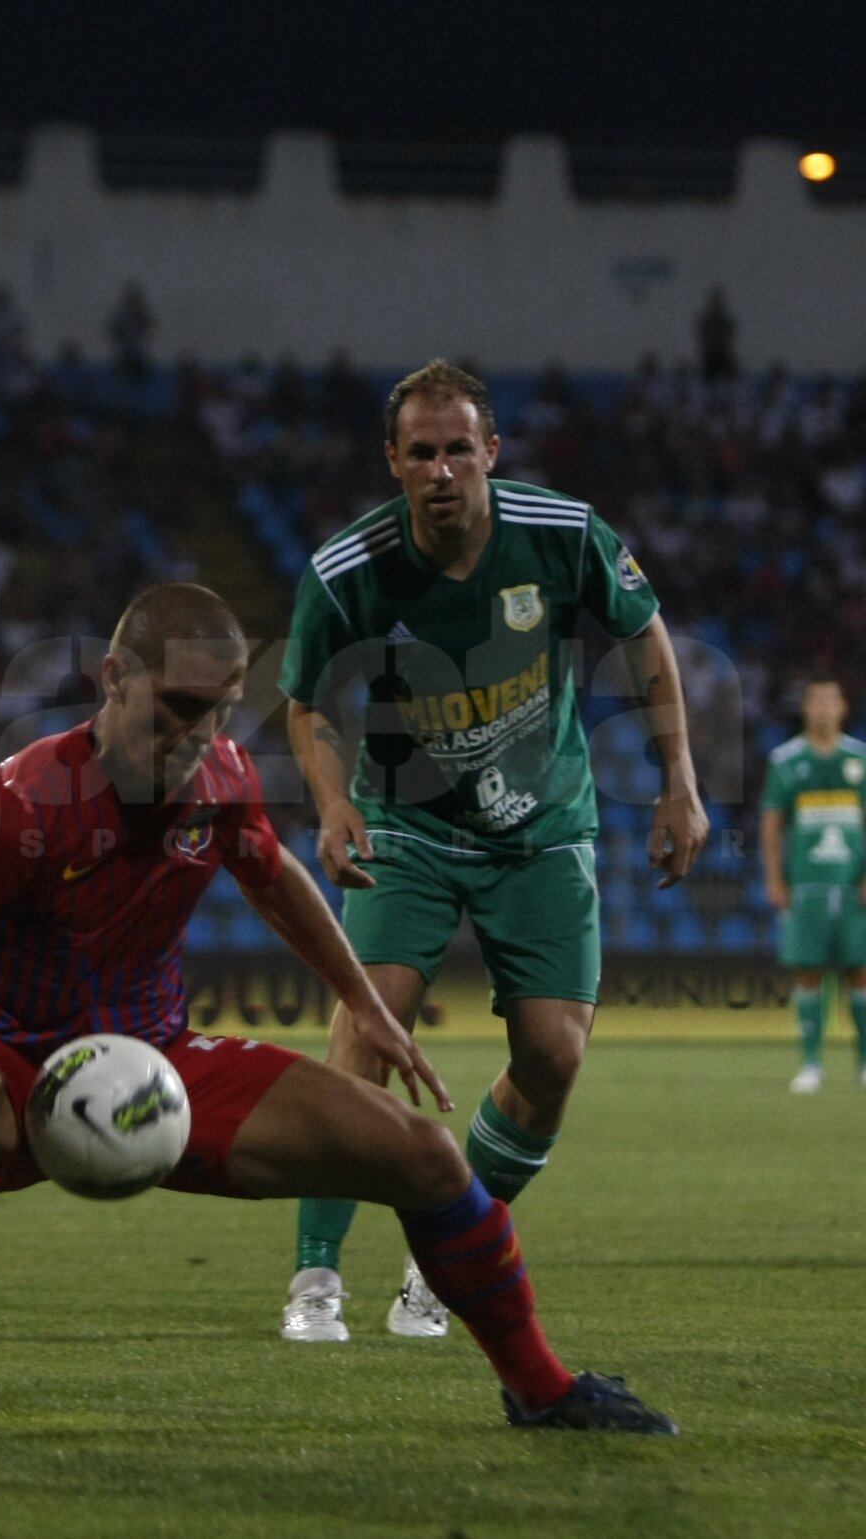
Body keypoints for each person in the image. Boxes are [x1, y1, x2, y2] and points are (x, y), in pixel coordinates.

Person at [0, 583, 677, 1444]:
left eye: (222, 709)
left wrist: (360, 996)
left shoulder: (222, 774)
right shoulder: (24, 805)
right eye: (181, 707)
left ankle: (542, 1389)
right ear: (115, 679)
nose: (200, 733)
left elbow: (273, 876)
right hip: (16, 1075)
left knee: (426, 1155)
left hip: (162, 1069)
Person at [277, 360, 708, 1343]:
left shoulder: (562, 535)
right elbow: (304, 703)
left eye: (458, 449)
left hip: (542, 828)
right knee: (371, 1024)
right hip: (410, 829)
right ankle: (315, 1276)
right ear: (393, 462)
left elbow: (646, 634)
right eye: (420, 453)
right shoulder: (347, 571)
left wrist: (680, 779)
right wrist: (335, 802)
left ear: (491, 453)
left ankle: (440, 1264)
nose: (441, 470)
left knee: (553, 1056)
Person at [761, 678, 866, 1092]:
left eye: (830, 700)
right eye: (816, 701)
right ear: (805, 708)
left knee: (861, 973)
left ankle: (863, 1064)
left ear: (843, 707)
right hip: (806, 887)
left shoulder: (860, 759)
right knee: (808, 974)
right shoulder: (786, 761)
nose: (823, 708)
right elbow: (772, 824)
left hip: (853, 886)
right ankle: (811, 1063)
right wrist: (774, 878)